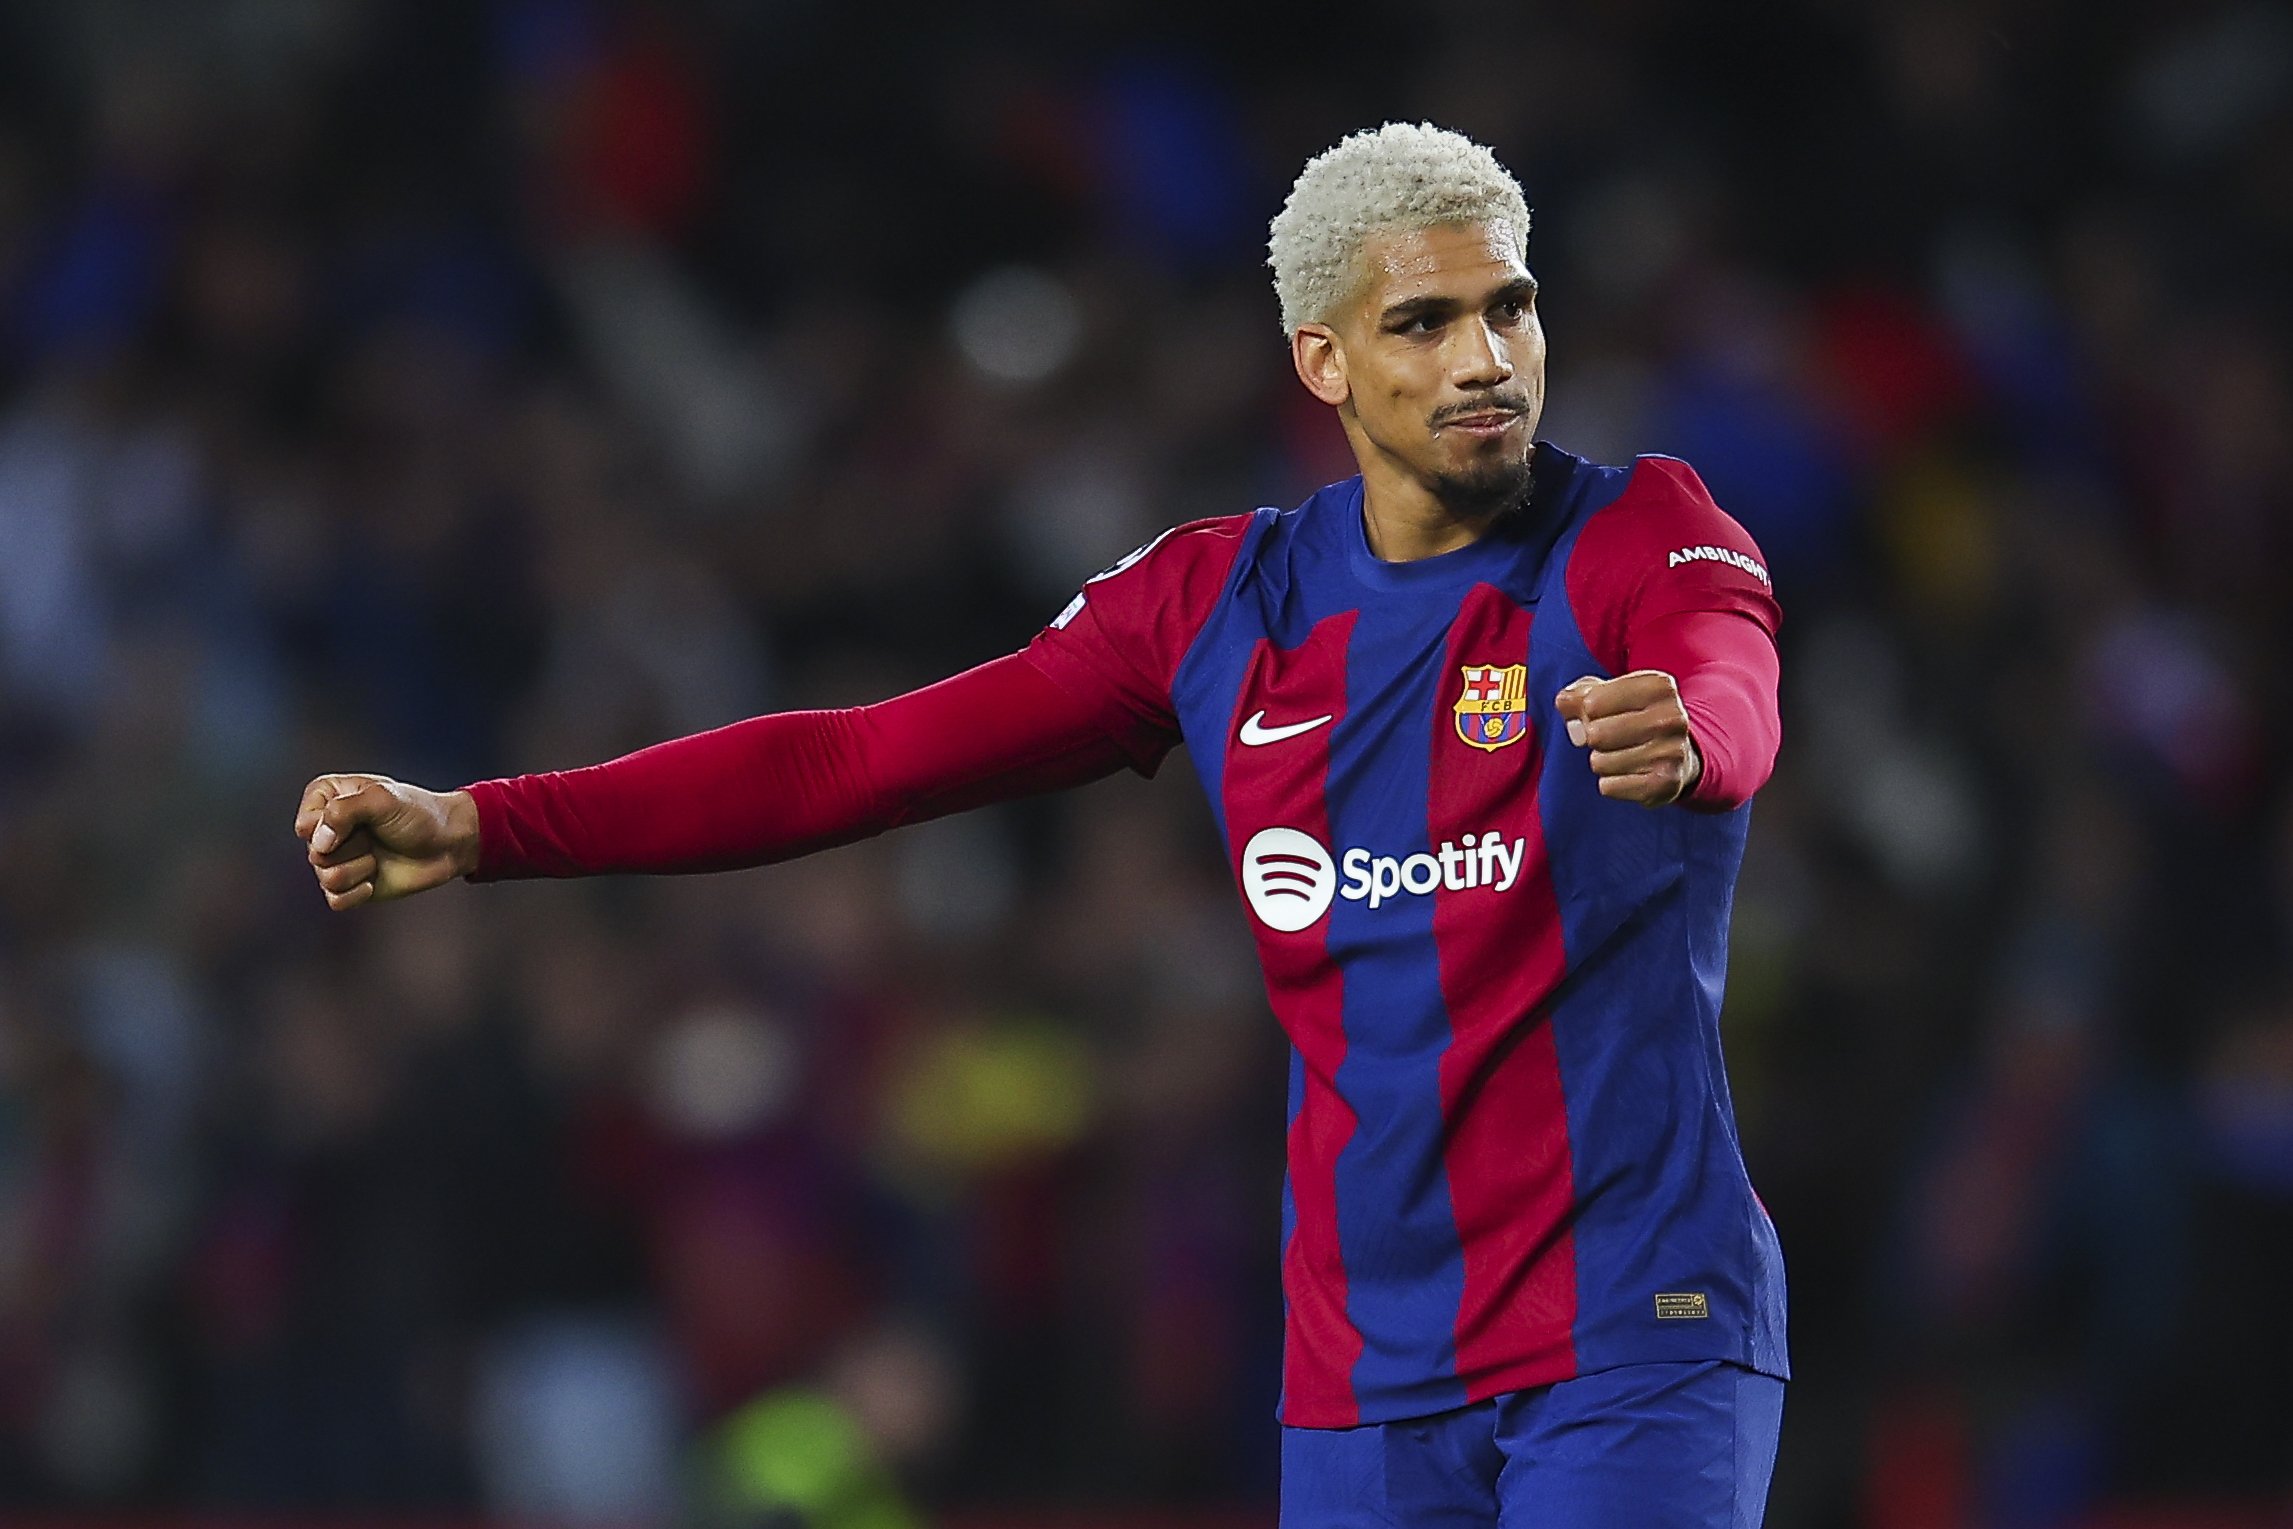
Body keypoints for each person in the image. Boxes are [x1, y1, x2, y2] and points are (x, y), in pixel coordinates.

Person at [296, 122, 1788, 1527]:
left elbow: (1733, 680)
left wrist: (1699, 741)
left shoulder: (1640, 531)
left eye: (1510, 308)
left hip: (1632, 1329)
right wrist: (487, 824)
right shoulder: (1213, 604)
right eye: (1424, 322)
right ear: (1322, 360)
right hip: (1366, 1377)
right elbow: (852, 761)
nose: (1485, 358)